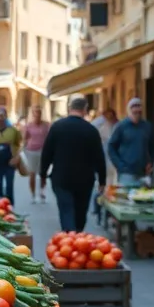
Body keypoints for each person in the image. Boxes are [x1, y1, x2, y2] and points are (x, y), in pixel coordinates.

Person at [41, 96, 107, 233]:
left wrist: (42, 174)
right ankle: (77, 236)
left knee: (66, 210)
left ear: (70, 108)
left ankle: (69, 237)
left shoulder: (57, 127)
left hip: (61, 178)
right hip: (84, 180)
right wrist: (102, 180)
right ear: (85, 109)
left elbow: (47, 153)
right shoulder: (91, 130)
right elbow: (99, 158)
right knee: (80, 213)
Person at [107, 98, 154, 185]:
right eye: (134, 110)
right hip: (126, 173)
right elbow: (111, 147)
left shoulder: (147, 126)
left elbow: (153, 146)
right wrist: (119, 165)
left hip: (143, 173)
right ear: (129, 111)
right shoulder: (121, 126)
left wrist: (151, 162)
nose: (137, 112)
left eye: (139, 109)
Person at [0, 106, 21, 203]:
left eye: (1, 116)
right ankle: (0, 205)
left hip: (10, 163)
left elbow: (20, 145)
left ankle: (10, 206)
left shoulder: (13, 131)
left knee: (9, 187)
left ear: (6, 116)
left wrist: (16, 158)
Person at [22, 105, 51, 203]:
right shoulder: (29, 125)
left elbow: (50, 137)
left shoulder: (46, 125)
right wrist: (23, 151)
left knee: (43, 173)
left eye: (39, 113)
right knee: (32, 173)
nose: (38, 115)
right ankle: (33, 195)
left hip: (44, 151)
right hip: (32, 151)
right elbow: (25, 138)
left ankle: (42, 192)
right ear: (33, 114)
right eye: (36, 113)